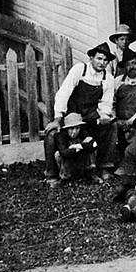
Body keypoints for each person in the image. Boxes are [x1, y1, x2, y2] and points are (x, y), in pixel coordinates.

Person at [44, 43, 116, 185]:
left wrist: (103, 117)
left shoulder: (108, 79)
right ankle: (51, 174)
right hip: (72, 113)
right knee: (52, 133)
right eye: (99, 59)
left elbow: (105, 104)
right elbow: (63, 93)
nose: (102, 63)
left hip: (90, 115)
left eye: (105, 60)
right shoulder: (80, 70)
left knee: (111, 127)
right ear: (91, 58)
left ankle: (102, 167)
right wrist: (59, 117)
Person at [106, 49, 136, 174]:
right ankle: (108, 166)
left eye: (135, 63)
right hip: (119, 122)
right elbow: (111, 102)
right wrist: (115, 118)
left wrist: (132, 120)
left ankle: (133, 167)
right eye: (129, 64)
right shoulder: (118, 81)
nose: (132, 67)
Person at [51, 112, 100, 184]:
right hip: (69, 162)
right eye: (71, 128)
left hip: (81, 160)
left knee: (89, 145)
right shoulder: (61, 136)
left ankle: (89, 172)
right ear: (66, 129)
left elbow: (94, 144)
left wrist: (78, 146)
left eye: (77, 128)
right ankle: (66, 177)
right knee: (58, 154)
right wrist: (77, 149)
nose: (74, 131)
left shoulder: (83, 133)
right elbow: (63, 152)